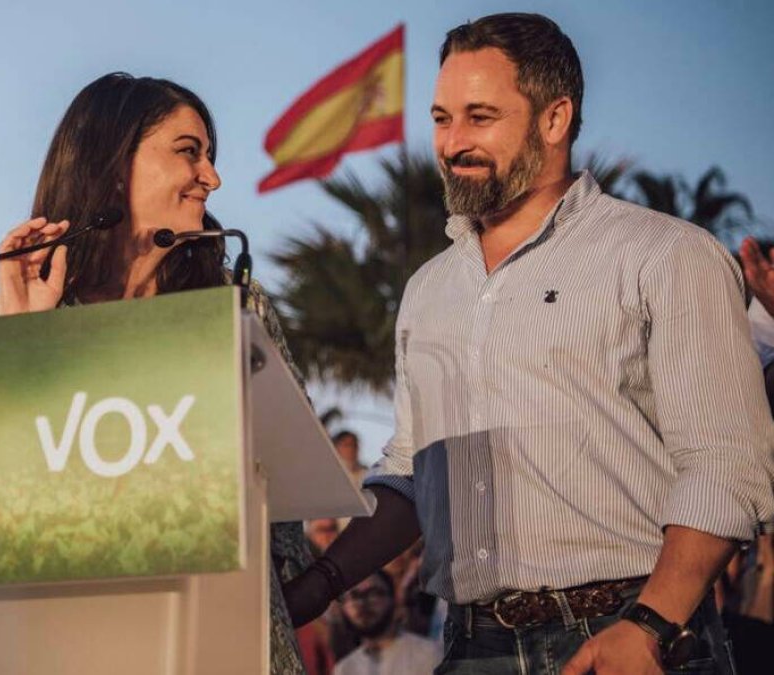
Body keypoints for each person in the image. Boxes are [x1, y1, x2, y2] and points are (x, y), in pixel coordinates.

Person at [284, 12, 774, 674]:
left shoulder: (667, 255)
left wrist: (651, 623)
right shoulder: (428, 290)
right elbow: (409, 474)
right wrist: (315, 585)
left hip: (632, 637)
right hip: (468, 643)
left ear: (554, 118)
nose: (452, 141)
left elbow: (725, 462)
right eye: (440, 118)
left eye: (479, 117)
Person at [0, 71, 313, 675]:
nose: (212, 178)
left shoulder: (237, 302)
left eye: (210, 157)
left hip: (225, 635)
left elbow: (293, 487)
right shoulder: (18, 305)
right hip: (75, 635)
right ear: (113, 164)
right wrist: (25, 340)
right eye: (190, 152)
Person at [332, 570, 441, 675]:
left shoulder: (428, 655)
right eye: (354, 596)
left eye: (373, 593)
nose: (363, 603)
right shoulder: (344, 669)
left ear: (394, 599)